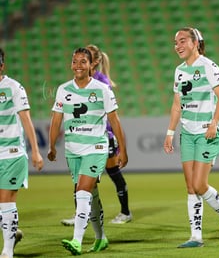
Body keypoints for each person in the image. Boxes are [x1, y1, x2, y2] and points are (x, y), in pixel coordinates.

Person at [48, 48, 128, 255]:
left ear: (92, 65)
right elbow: (56, 120)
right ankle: (101, 238)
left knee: (81, 192)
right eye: (75, 61)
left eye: (83, 62)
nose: (78, 66)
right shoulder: (63, 89)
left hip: (96, 148)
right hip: (73, 150)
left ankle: (77, 240)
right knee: (90, 194)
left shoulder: (102, 89)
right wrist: (51, 146)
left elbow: (114, 121)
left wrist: (122, 149)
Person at [163, 27, 219, 248]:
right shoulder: (179, 71)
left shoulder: (209, 66)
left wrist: (214, 122)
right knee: (190, 186)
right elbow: (177, 105)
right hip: (188, 133)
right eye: (176, 42)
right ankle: (196, 237)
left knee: (199, 184)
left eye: (183, 41)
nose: (178, 46)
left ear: (195, 42)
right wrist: (170, 132)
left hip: (207, 133)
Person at [60, 44, 131, 226]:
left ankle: (125, 211)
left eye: (87, 59)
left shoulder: (101, 82)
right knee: (82, 179)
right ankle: (80, 215)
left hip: (102, 135)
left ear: (95, 61)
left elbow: (111, 115)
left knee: (113, 172)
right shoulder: (80, 81)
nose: (82, 63)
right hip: (85, 137)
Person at [0, 47, 43, 258]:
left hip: (12, 152)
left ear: (2, 65)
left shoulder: (14, 88)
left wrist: (35, 151)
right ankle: (12, 232)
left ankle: (7, 250)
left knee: (6, 200)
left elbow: (26, 119)